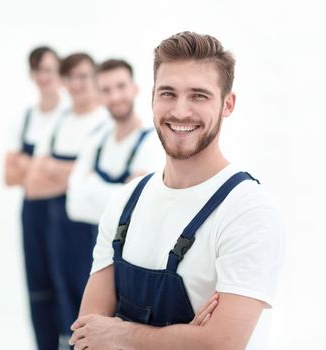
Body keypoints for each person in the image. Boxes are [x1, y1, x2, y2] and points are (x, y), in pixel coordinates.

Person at [69, 31, 285, 350]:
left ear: (228, 104)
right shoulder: (125, 201)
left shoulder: (248, 211)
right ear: (152, 97)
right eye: (168, 93)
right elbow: (87, 336)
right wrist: (182, 338)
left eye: (199, 95)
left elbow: (220, 344)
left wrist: (119, 333)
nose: (180, 111)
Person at [25, 53, 111, 348]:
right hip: (54, 226)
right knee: (52, 298)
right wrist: (73, 175)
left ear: (95, 78)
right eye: (71, 77)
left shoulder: (104, 121)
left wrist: (55, 170)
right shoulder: (59, 121)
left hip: (89, 230)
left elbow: (93, 189)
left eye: (84, 76)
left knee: (88, 305)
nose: (77, 84)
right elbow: (33, 184)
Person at [3, 46, 64, 350]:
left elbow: (74, 175)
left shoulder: (69, 118)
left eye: (51, 69)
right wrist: (44, 168)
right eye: (39, 70)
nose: (45, 77)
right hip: (32, 215)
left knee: (67, 287)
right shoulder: (25, 119)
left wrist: (31, 167)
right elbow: (9, 175)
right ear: (32, 75)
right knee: (38, 289)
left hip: (65, 216)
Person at [66, 58, 164, 226]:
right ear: (98, 96)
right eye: (106, 90)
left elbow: (138, 207)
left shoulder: (154, 142)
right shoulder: (94, 140)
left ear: (135, 89)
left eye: (121, 86)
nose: (115, 96)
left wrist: (90, 185)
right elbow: (74, 206)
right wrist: (122, 192)